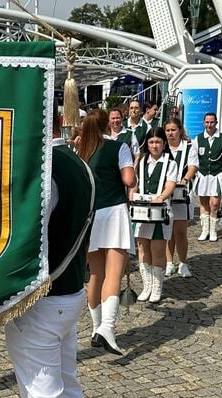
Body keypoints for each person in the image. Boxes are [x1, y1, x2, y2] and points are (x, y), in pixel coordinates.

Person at [5, 103, 95, 398]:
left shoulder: (44, 171)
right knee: (67, 384)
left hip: (43, 299)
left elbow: (26, 242)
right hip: (70, 292)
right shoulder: (79, 165)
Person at [77, 109, 136, 355]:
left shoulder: (81, 151)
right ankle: (107, 328)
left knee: (95, 276)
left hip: (90, 215)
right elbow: (128, 180)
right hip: (113, 212)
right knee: (114, 273)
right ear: (107, 125)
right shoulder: (119, 147)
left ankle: (96, 328)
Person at [131, 127, 177, 303]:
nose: (154, 145)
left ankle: (157, 287)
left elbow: (170, 184)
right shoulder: (141, 162)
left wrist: (161, 198)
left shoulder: (169, 163)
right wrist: (132, 198)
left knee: (157, 249)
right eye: (151, 142)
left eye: (158, 142)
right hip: (142, 209)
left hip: (160, 210)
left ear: (164, 143)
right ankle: (147, 285)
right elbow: (134, 184)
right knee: (142, 248)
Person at [163, 118, 198, 278]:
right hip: (166, 192)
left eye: (173, 130)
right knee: (168, 230)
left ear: (179, 131)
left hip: (182, 192)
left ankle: (183, 263)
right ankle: (169, 262)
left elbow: (192, 167)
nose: (170, 133)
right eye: (168, 130)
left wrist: (184, 180)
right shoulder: (162, 147)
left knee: (181, 231)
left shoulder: (188, 147)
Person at [191, 112, 222, 242]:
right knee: (203, 202)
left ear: (216, 123)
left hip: (216, 174)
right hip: (203, 174)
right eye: (207, 122)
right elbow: (194, 157)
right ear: (203, 123)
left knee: (214, 203)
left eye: (212, 122)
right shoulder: (198, 138)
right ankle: (205, 230)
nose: (209, 125)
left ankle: (213, 230)